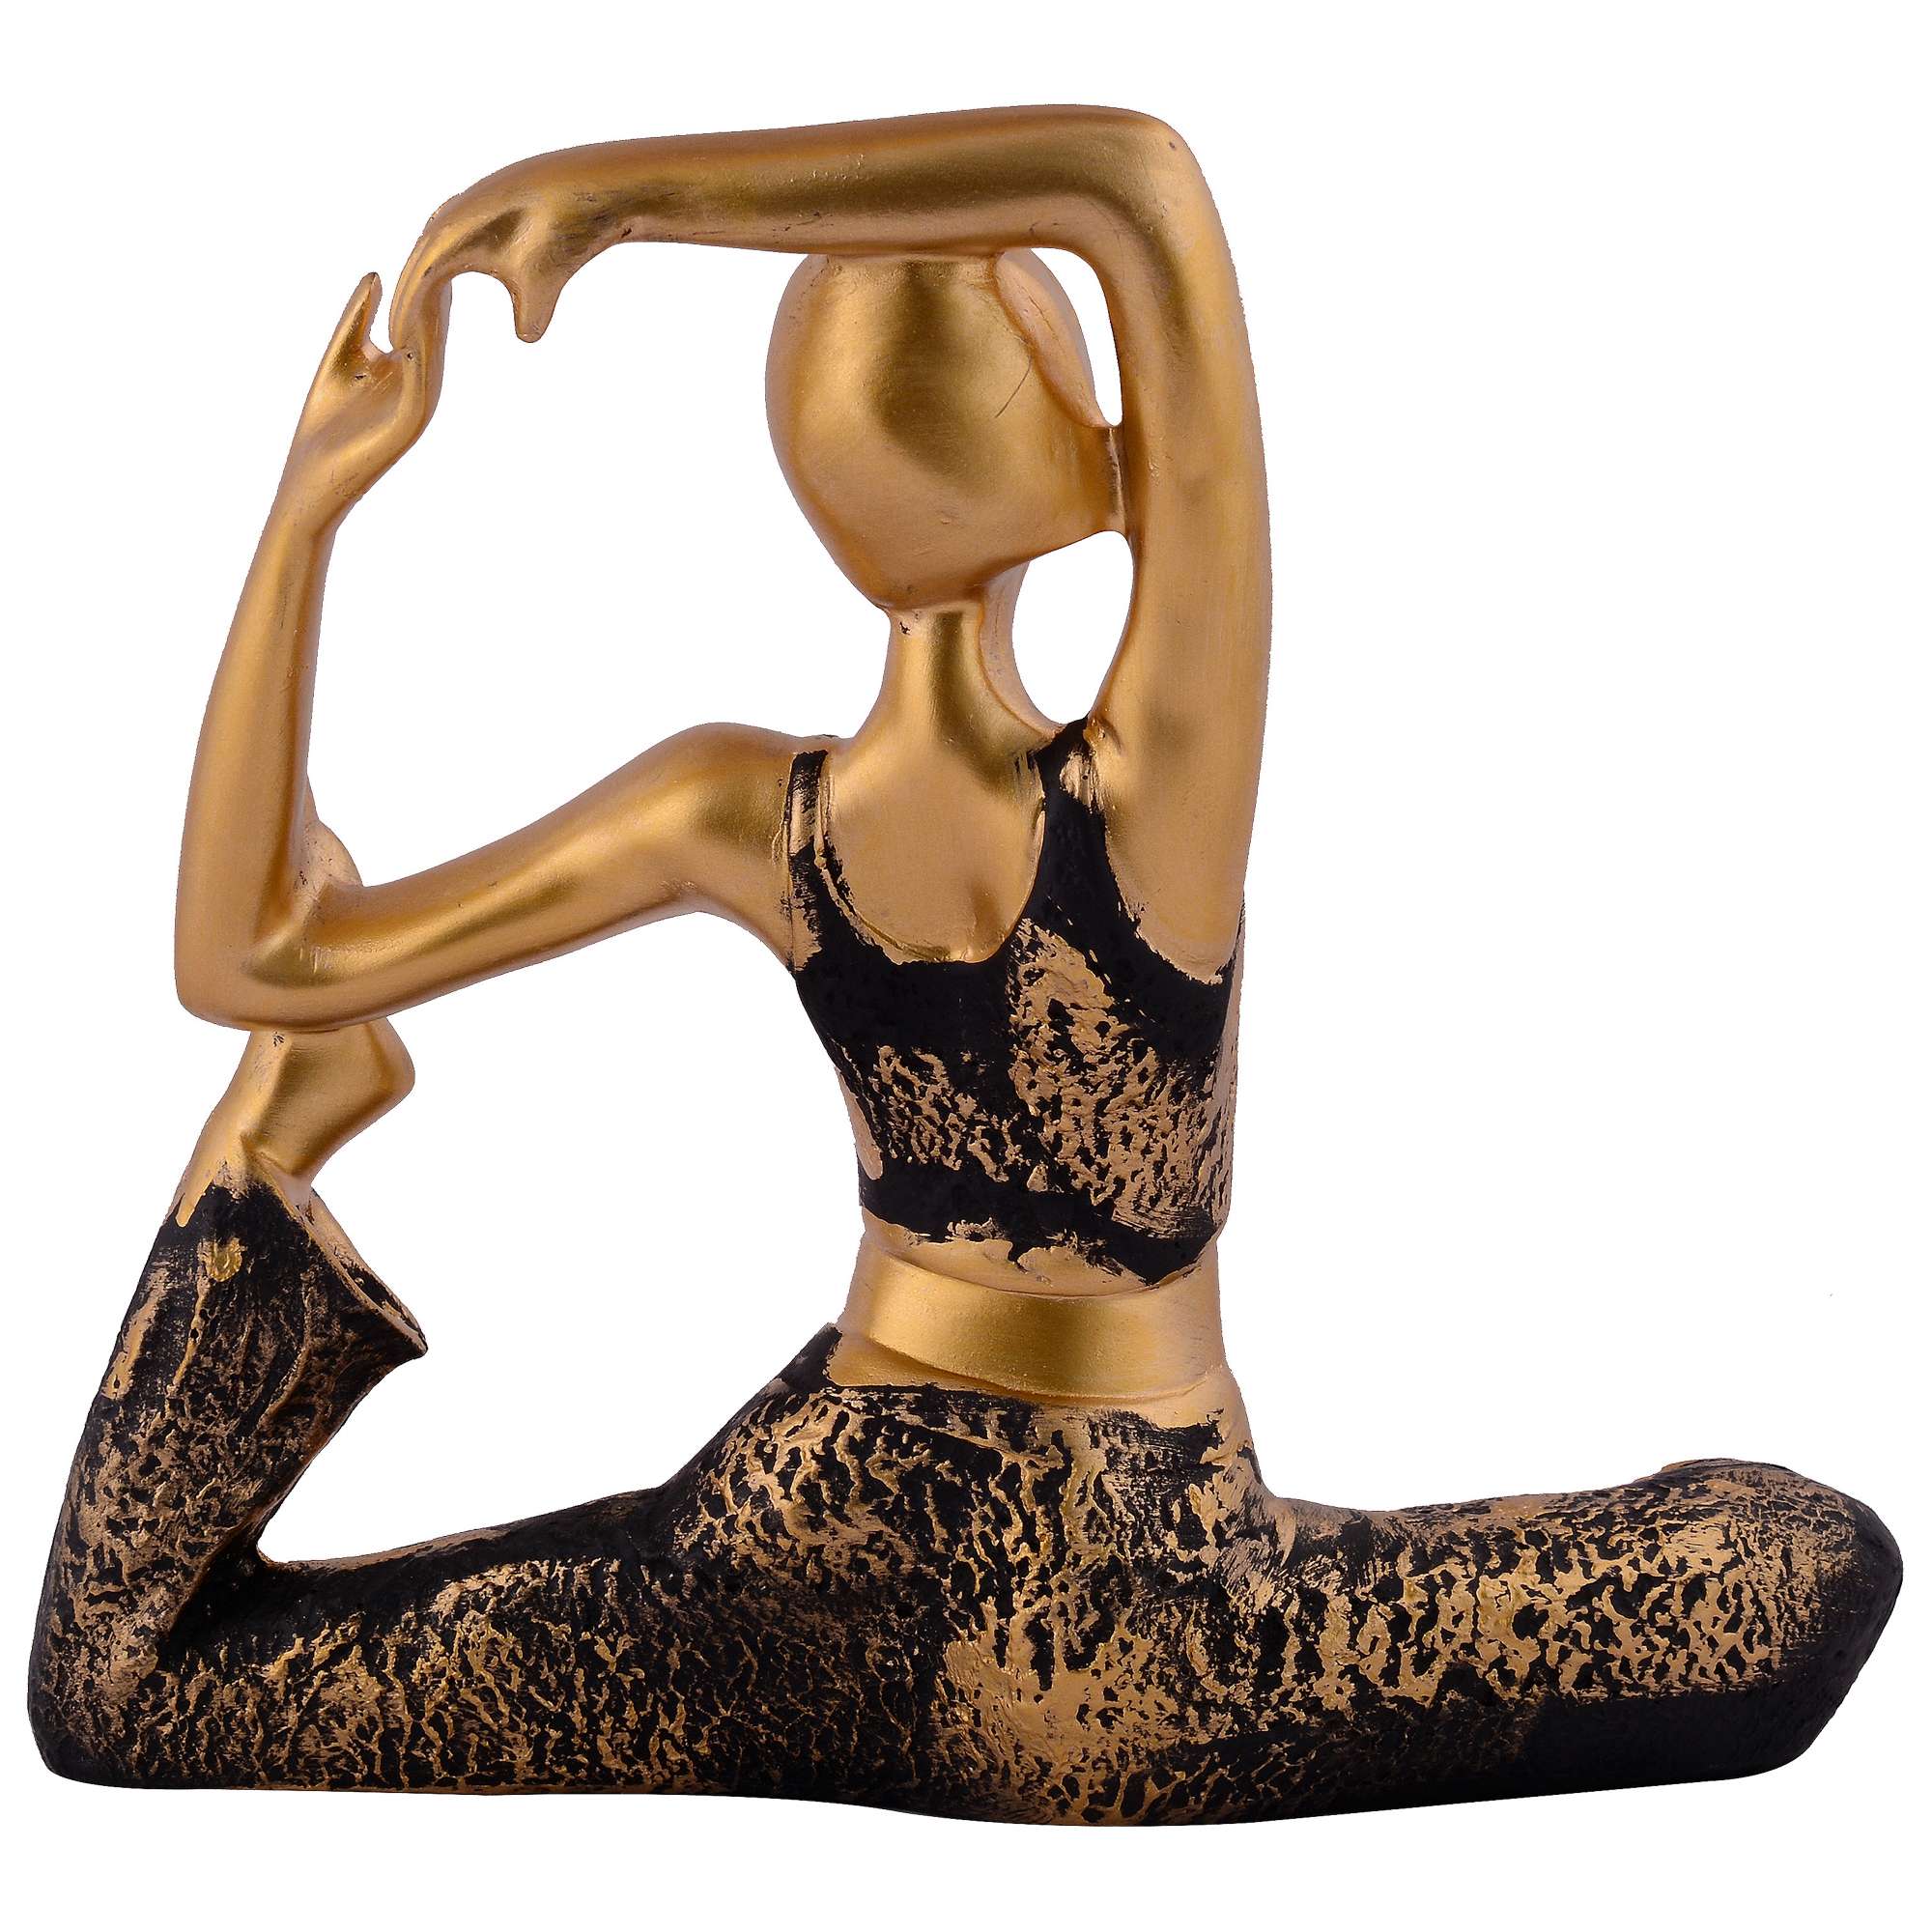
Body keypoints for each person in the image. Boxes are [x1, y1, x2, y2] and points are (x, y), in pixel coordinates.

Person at [30, 109, 1898, 1819]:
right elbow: (1136, 183)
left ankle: (271, 1154)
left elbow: (255, 951)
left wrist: (313, 508)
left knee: (135, 1698)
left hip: (807, 1543)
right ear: (1082, 467)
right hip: (1130, 1618)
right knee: (1796, 1575)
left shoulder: (740, 813)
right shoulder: (1152, 798)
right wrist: (623, 201)